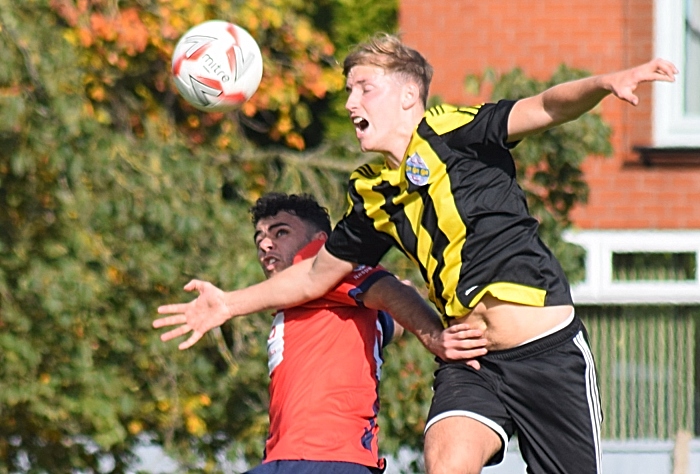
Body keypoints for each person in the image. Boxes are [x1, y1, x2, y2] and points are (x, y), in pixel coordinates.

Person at [154, 33, 678, 474]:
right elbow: (315, 275)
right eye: (347, 90)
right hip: (474, 363)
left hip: (548, 355)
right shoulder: (373, 192)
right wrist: (228, 303)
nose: (350, 102)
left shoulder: (453, 130)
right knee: (445, 464)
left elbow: (543, 106)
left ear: (409, 97)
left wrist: (605, 83)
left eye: (364, 88)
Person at [156, 192, 487, 474]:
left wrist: (433, 336)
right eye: (259, 238)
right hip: (292, 460)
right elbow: (390, 311)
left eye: (280, 232)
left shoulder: (320, 265)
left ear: (321, 242)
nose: (265, 243)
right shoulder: (309, 302)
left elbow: (387, 290)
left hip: (324, 459)